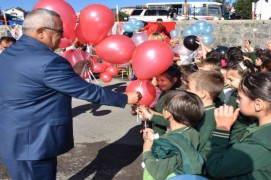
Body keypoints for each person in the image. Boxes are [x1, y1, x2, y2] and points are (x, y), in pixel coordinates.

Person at [0, 9, 141, 180]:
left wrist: (72, 74)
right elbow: (87, 91)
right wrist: (125, 98)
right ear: (41, 32)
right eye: (59, 32)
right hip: (34, 143)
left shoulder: (9, 54)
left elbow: (35, 83)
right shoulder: (49, 60)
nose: (62, 37)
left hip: (12, 136)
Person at [206, 72, 271, 179]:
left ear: (258, 104)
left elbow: (215, 169)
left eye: (240, 98)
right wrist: (242, 116)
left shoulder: (260, 145)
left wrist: (222, 129)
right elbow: (236, 143)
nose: (236, 100)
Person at [142, 90, 204, 180]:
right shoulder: (192, 132)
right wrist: (153, 139)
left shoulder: (170, 142)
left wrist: (147, 150)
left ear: (167, 113)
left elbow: (158, 173)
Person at [187, 71, 224, 160]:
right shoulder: (203, 111)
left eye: (190, 89)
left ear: (202, 94)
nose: (187, 91)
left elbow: (200, 144)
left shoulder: (209, 117)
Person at [138, 65, 182, 135]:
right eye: (158, 80)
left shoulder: (175, 96)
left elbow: (172, 120)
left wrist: (150, 114)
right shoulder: (164, 92)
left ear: (174, 79)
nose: (159, 83)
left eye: (162, 80)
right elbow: (160, 112)